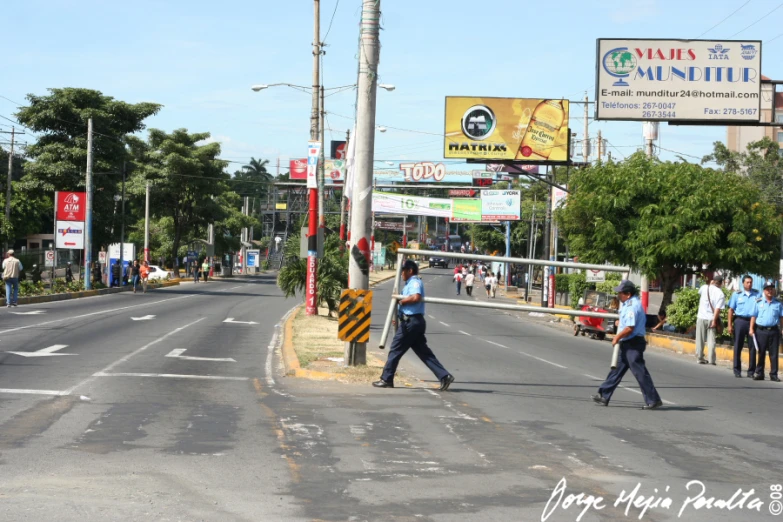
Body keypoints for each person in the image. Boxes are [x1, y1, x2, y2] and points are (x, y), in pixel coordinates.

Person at [374, 260, 454, 390]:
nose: (401, 275)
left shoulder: (415, 282)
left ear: (410, 271)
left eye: (403, 271)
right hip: (412, 322)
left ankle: (386, 379)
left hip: (411, 323)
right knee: (424, 353)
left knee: (395, 350)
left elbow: (416, 297)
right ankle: (444, 376)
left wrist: (402, 302)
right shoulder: (409, 283)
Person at [592, 280, 663, 410]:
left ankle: (653, 399)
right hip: (627, 342)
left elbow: (630, 328)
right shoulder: (626, 304)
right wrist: (620, 323)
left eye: (621, 293)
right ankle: (604, 396)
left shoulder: (632, 306)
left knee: (639, 372)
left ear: (628, 294)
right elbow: (627, 323)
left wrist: (617, 337)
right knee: (616, 370)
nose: (618, 295)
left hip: (633, 343)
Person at [727, 275, 760, 378]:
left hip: (752, 322)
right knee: (738, 346)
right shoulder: (737, 295)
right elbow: (731, 310)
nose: (749, 284)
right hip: (740, 321)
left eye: (751, 282)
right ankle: (737, 370)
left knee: (753, 347)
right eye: (747, 282)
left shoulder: (757, 294)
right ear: (743, 283)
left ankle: (751, 371)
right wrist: (729, 325)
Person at [749, 282, 782, 382]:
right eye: (767, 289)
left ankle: (774, 374)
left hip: (774, 331)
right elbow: (753, 316)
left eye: (771, 289)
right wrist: (751, 328)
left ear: (774, 290)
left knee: (774, 354)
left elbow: (781, 317)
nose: (770, 291)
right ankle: (759, 373)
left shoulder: (778, 303)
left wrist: (782, 329)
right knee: (761, 352)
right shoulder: (758, 302)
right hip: (761, 331)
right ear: (764, 290)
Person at [695, 275, 725, 365]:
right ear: (721, 283)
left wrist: (710, 284)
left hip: (701, 317)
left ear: (713, 281)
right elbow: (717, 309)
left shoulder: (704, 288)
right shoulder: (720, 294)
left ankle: (700, 358)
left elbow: (699, 293)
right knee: (711, 340)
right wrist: (714, 320)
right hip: (711, 318)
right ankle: (711, 360)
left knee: (700, 339)